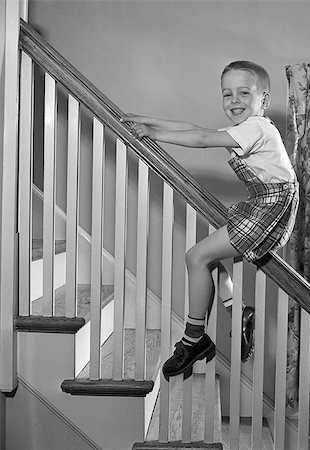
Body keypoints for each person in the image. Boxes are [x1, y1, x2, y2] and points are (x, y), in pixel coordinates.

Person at [121, 60, 299, 381]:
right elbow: (193, 127)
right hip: (266, 200)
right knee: (208, 258)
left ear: (264, 100)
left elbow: (201, 138)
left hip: (272, 203)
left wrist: (153, 135)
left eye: (244, 93)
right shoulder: (250, 128)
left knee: (196, 256)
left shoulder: (257, 127)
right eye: (227, 94)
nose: (234, 101)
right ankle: (236, 309)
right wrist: (147, 121)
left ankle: (194, 339)